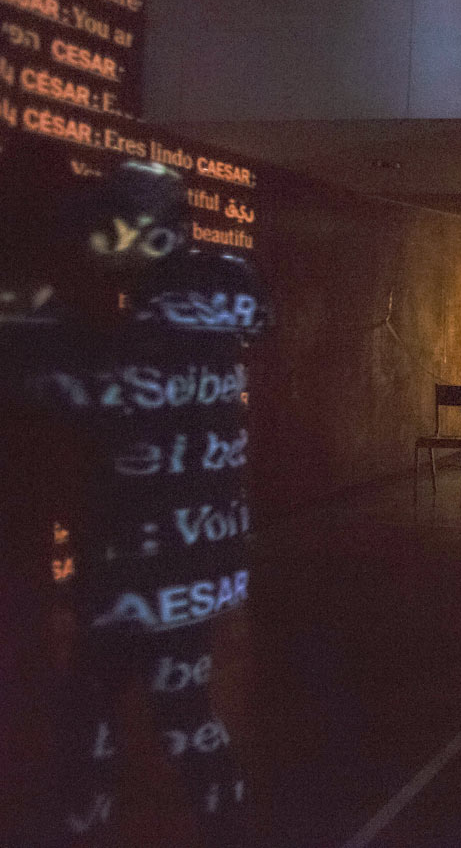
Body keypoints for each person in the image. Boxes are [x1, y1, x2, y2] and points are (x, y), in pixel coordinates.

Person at [0, 160, 267, 847]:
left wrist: (27, 314)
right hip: (201, 563)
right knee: (183, 708)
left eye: (109, 227)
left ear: (143, 232)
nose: (98, 242)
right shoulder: (214, 310)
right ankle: (228, 825)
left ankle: (81, 823)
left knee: (92, 699)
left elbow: (79, 382)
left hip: (139, 569)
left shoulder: (149, 332)